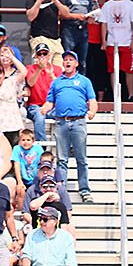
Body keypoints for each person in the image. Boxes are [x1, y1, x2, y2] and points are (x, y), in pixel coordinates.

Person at [43, 50, 97, 203]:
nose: (67, 62)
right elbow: (50, 101)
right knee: (62, 159)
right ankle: (62, 189)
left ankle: (85, 190)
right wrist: (43, 109)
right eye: (65, 59)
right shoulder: (57, 82)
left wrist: (92, 111)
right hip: (61, 122)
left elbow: (92, 100)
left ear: (76, 63)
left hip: (78, 121)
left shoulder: (84, 81)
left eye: (71, 60)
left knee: (81, 158)